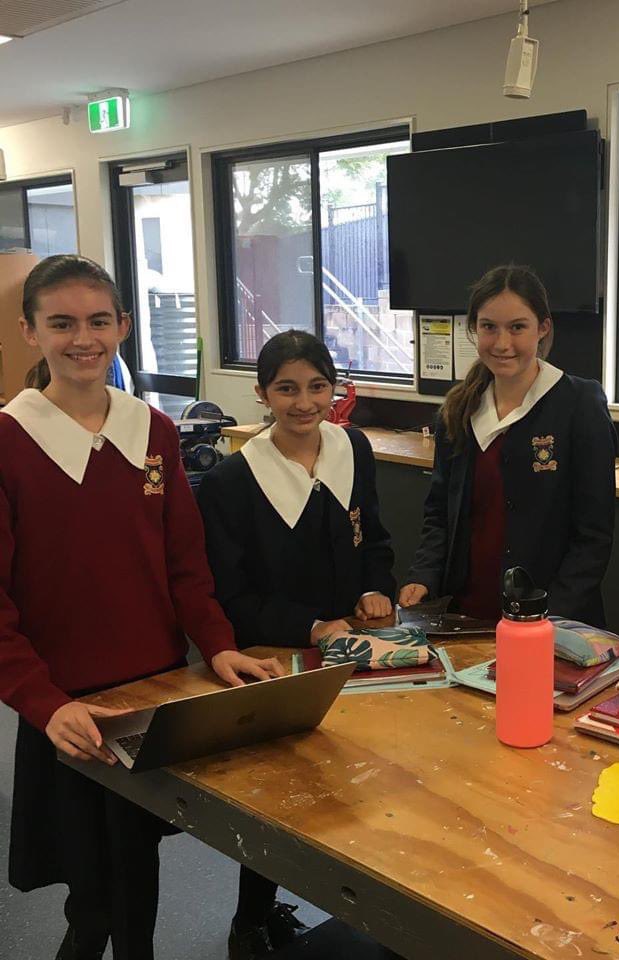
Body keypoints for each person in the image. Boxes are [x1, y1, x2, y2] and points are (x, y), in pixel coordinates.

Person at [0, 255, 281, 960]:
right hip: (66, 705)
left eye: (99, 321)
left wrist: (217, 644)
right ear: (30, 331)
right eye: (61, 323)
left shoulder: (151, 430)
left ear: (123, 326)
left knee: (137, 878)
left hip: (151, 695)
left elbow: (185, 562)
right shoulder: (8, 441)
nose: (83, 338)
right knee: (91, 895)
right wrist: (42, 702)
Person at [197, 329, 395, 958]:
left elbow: (375, 538)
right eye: (286, 389)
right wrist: (310, 626)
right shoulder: (232, 481)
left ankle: (369, 907)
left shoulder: (352, 448)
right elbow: (231, 594)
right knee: (281, 795)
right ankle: (250, 921)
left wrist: (376, 588)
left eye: (317, 386)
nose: (304, 402)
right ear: (262, 394)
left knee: (361, 780)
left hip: (352, 647)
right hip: (277, 655)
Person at [398, 264, 615, 625]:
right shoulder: (459, 408)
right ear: (474, 328)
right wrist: (423, 575)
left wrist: (549, 618)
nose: (502, 344)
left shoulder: (579, 404)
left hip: (551, 620)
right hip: (466, 614)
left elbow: (593, 537)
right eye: (489, 327)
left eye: (517, 327)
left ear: (542, 328)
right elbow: (439, 513)